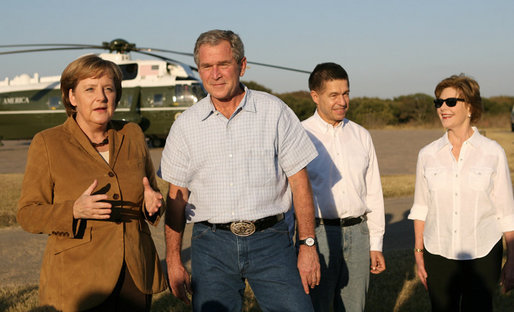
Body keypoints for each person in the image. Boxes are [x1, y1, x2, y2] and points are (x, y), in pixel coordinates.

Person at [160, 29, 320, 312]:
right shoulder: (186, 125)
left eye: (223, 64)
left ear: (242, 66)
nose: (215, 74)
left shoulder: (275, 112)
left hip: (271, 242)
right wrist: (173, 259)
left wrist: (307, 244)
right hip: (211, 247)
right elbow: (177, 195)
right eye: (207, 67)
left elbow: (300, 183)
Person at [17, 55, 167, 311]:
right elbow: (27, 214)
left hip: (134, 272)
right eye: (90, 89)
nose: (101, 97)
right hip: (78, 278)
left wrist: (151, 206)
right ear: (72, 97)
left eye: (108, 89)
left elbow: (148, 192)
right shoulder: (48, 143)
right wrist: (73, 211)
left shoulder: (132, 134)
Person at [408, 74, 514, 311]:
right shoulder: (427, 154)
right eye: (438, 103)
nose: (443, 108)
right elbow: (421, 206)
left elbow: (506, 211)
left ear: (470, 106)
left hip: (483, 253)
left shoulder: (492, 152)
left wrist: (512, 260)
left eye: (450, 102)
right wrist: (418, 251)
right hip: (438, 252)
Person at [299, 62, 386, 312]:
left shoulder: (361, 135)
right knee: (317, 306)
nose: (342, 101)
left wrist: (375, 244)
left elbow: (374, 193)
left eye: (346, 93)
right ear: (315, 96)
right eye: (334, 95)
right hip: (319, 235)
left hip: (359, 234)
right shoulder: (300, 135)